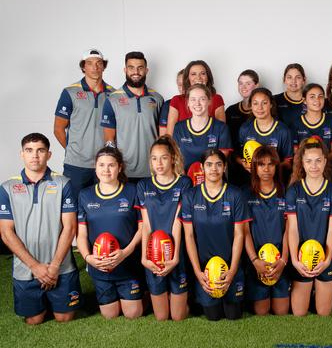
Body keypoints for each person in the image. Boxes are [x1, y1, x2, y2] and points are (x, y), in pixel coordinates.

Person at [0, 133, 81, 325]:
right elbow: (6, 232)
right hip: (26, 269)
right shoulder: (7, 187)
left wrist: (53, 267)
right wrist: (35, 267)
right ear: (22, 154)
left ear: (49, 154)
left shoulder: (63, 183)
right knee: (34, 320)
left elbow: (70, 228)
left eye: (40, 150)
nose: (34, 155)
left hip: (61, 267)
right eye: (29, 150)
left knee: (65, 318)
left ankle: (56, 296)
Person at [181, 149, 250, 320]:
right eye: (209, 165)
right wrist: (198, 272)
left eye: (218, 164)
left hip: (230, 264)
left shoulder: (235, 194)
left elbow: (239, 235)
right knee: (213, 316)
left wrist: (232, 270)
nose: (214, 169)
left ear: (225, 167)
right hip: (204, 268)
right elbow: (189, 236)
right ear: (202, 168)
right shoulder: (191, 196)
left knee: (233, 315)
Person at [77, 146, 144, 319]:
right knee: (110, 315)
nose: (106, 170)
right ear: (95, 167)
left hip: (127, 264)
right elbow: (82, 234)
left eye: (111, 165)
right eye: (101, 165)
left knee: (133, 313)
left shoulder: (132, 190)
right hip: (100, 266)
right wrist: (88, 258)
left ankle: (144, 292)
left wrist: (125, 252)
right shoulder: (85, 195)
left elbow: (143, 228)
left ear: (119, 167)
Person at [137, 136, 193, 321]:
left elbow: (178, 222)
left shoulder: (184, 183)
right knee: (161, 317)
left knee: (178, 317)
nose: (158, 163)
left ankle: (186, 299)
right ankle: (155, 295)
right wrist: (145, 257)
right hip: (153, 254)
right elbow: (146, 225)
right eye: (154, 158)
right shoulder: (143, 185)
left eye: (163, 157)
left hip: (176, 251)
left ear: (172, 158)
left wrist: (175, 257)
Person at [286, 138, 332, 316]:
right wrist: (295, 260)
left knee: (324, 313)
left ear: (325, 161)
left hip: (326, 257)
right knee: (299, 314)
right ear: (302, 163)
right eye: (309, 161)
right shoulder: (294, 191)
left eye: (318, 160)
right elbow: (293, 228)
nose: (314, 166)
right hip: (301, 259)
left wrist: (326, 260)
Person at [53, 49, 114, 198]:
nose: (95, 67)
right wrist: (73, 151)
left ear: (104, 66)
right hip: (76, 166)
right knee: (73, 208)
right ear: (83, 67)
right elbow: (58, 128)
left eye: (99, 63)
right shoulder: (70, 92)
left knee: (101, 209)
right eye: (90, 63)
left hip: (104, 164)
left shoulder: (114, 94)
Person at [102, 51, 163, 184]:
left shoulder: (157, 98)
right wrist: (115, 166)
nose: (136, 72)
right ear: (125, 70)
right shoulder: (112, 99)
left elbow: (162, 135)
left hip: (153, 170)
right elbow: (109, 138)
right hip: (125, 171)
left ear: (146, 70)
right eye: (131, 67)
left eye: (140, 68)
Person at [243, 146, 290, 316]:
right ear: (254, 167)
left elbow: (289, 230)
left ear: (277, 166)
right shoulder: (245, 194)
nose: (266, 169)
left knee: (281, 311)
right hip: (256, 262)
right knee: (261, 312)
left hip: (280, 262)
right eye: (261, 164)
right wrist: (255, 260)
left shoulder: (286, 192)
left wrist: (284, 260)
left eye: (271, 164)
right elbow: (245, 232)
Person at [172, 84, 232, 172]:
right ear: (188, 103)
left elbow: (220, 161)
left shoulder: (221, 128)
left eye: (202, 99)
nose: (197, 103)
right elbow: (175, 158)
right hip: (185, 180)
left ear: (209, 101)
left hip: (212, 181)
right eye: (193, 99)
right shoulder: (179, 128)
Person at [238, 88, 294, 176]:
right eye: (255, 103)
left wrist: (270, 168)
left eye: (264, 103)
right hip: (250, 182)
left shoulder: (283, 131)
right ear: (251, 106)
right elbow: (237, 155)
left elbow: (288, 162)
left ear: (271, 104)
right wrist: (243, 163)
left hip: (275, 182)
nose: (259, 107)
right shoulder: (245, 128)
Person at [166, 60, 226, 135]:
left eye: (203, 74)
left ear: (208, 77)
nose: (198, 77)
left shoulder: (217, 99)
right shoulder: (177, 100)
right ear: (188, 78)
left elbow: (221, 132)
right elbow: (170, 135)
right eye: (193, 74)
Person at [226, 70, 259, 187]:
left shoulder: (262, 111)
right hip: (236, 168)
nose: (243, 87)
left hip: (259, 168)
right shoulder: (230, 111)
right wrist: (240, 161)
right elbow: (227, 142)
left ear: (257, 85)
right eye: (240, 83)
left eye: (248, 83)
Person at [293, 83, 332, 162]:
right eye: (312, 97)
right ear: (304, 100)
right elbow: (296, 154)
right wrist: (312, 162)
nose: (317, 100)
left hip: (328, 169)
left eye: (320, 96)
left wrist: (319, 160)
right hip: (306, 169)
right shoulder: (296, 123)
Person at [274, 63, 306, 132]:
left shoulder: (312, 101)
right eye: (289, 77)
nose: (293, 81)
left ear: (304, 80)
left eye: (298, 77)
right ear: (284, 80)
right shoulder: (274, 100)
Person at [159, 69, 184, 136]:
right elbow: (163, 137)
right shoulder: (168, 105)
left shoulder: (200, 105)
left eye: (186, 84)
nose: (183, 88)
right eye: (180, 85)